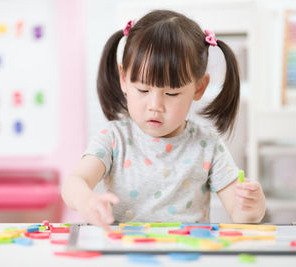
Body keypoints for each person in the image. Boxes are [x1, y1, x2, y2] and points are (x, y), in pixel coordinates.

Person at [62, 10, 265, 231]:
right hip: (125, 254)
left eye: (171, 94)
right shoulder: (113, 140)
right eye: (142, 89)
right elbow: (74, 183)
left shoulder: (208, 144)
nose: (155, 106)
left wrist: (251, 207)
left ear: (199, 88)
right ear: (123, 79)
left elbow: (239, 212)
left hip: (187, 254)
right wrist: (86, 200)